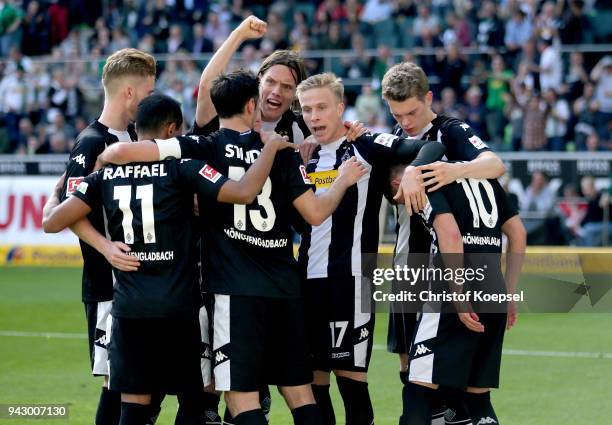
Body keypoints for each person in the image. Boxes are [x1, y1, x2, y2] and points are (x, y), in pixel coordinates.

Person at [93, 69, 368, 425]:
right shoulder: (280, 150)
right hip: (285, 290)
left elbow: (125, 151)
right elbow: (315, 214)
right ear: (252, 104)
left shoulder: (203, 147)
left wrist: (107, 158)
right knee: (300, 393)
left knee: (241, 400)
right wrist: (342, 181)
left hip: (233, 293)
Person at [42, 93, 295, 425]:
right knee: (193, 401)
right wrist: (270, 149)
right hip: (179, 308)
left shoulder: (104, 178)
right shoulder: (183, 171)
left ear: (137, 130)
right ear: (173, 130)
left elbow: (52, 222)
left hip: (131, 309)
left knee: (133, 406)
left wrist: (68, 205)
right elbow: (245, 191)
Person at [295, 72, 446, 425]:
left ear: (340, 108)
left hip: (351, 283)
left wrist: (414, 173)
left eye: (321, 108)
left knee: (352, 388)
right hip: (305, 285)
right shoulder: (304, 157)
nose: (314, 116)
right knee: (314, 388)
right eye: (307, 110)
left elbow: (431, 147)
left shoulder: (368, 146)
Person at [380, 61, 505, 425]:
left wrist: (456, 169)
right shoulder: (396, 138)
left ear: (429, 98)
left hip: (446, 268)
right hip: (407, 267)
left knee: (444, 378)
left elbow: (495, 163)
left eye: (412, 112)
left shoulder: (450, 131)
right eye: (397, 113)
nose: (405, 121)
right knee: (410, 365)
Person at [55, 48, 156, 425]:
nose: (150, 100)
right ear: (129, 93)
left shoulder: (131, 137)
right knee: (117, 382)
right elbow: (70, 211)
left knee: (137, 381)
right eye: (147, 92)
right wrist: (106, 248)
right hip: (106, 283)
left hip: (136, 282)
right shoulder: (91, 142)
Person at [400, 170, 526, 425]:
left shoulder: (432, 178)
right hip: (493, 290)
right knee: (478, 399)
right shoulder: (490, 182)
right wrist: (509, 295)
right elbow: (518, 234)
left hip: (450, 291)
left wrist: (458, 296)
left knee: (418, 392)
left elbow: (452, 237)